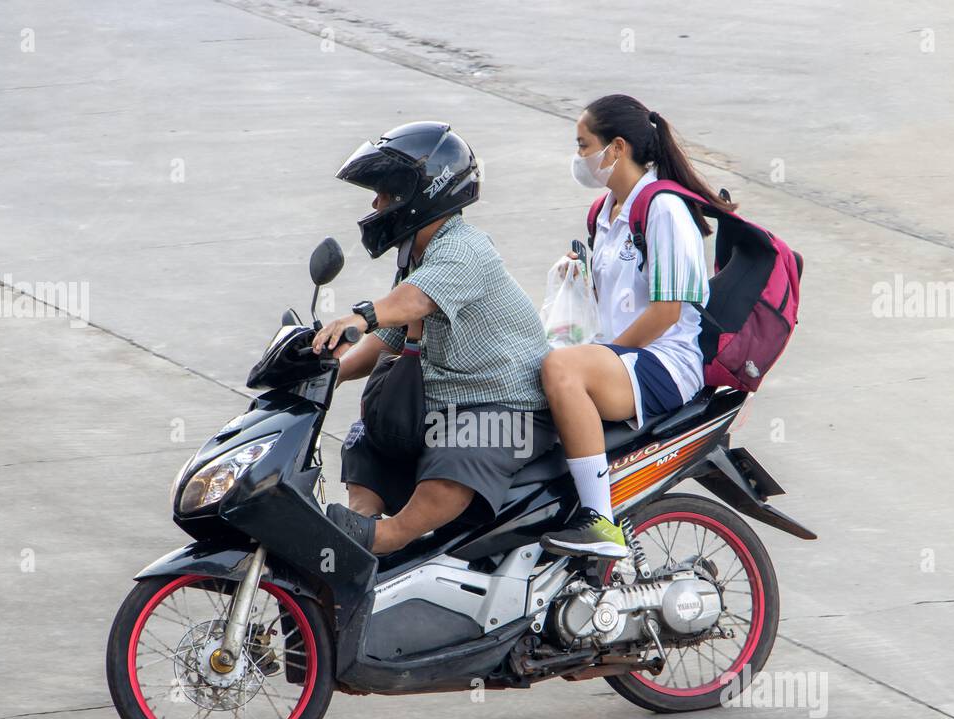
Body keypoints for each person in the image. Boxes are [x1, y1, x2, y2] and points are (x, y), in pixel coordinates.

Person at [315, 121, 555, 555]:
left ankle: (389, 539)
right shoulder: (417, 256)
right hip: (450, 402)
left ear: (418, 194)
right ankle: (362, 526)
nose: (376, 203)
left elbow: (412, 303)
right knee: (368, 433)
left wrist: (360, 316)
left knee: (463, 445)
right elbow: (384, 342)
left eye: (385, 193)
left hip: (511, 406)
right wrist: (323, 376)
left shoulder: (465, 248)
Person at [538, 94, 736, 558]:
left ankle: (600, 522)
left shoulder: (663, 207)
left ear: (617, 148)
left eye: (583, 145)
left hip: (665, 363)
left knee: (561, 371)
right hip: (623, 358)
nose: (579, 157)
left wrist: (606, 356)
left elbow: (668, 311)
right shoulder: (605, 213)